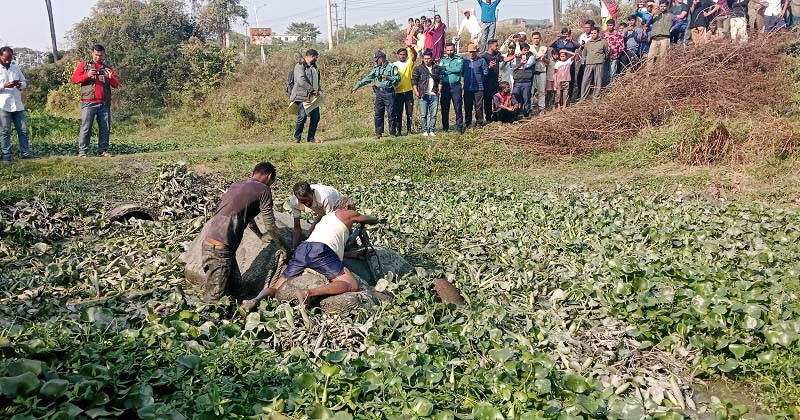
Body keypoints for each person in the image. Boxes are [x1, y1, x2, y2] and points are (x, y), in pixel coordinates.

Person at [241, 197, 382, 310]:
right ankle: (309, 293)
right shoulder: (347, 213)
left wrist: (354, 255)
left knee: (276, 287)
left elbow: (333, 248)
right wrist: (375, 218)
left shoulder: (327, 218)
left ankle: (256, 299)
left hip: (304, 249)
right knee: (351, 284)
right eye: (354, 209)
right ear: (348, 207)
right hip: (321, 250)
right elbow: (370, 219)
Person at [203, 162, 290, 303]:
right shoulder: (263, 190)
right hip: (219, 250)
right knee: (215, 299)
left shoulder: (238, 184)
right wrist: (284, 248)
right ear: (269, 177)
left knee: (239, 292)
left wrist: (260, 236)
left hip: (219, 246)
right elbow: (271, 226)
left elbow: (247, 219)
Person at [71, 44, 119, 158]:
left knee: (105, 128)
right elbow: (74, 79)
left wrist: (110, 77)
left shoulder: (108, 68)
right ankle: (82, 152)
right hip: (89, 102)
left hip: (104, 103)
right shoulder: (84, 65)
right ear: (92, 54)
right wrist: (87, 75)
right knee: (86, 127)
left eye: (100, 55)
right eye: (96, 55)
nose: (98, 57)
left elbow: (116, 85)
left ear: (104, 55)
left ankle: (103, 151)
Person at [351, 51, 400, 139]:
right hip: (379, 93)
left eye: (376, 60)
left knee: (391, 113)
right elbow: (369, 78)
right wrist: (357, 86)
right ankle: (379, 133)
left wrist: (389, 77)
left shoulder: (392, 67)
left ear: (382, 59)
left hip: (388, 92)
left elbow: (398, 78)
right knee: (378, 113)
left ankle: (392, 133)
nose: (375, 61)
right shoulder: (376, 68)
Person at [0, 47, 32, 162]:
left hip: (17, 104)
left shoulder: (15, 67)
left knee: (23, 130)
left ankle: (25, 153)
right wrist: (4, 86)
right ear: (0, 56)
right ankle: (6, 156)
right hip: (3, 105)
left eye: (10, 58)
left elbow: (24, 82)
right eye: (5, 59)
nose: (8, 61)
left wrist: (19, 85)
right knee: (5, 132)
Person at [290, 182, 342, 250]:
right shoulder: (294, 202)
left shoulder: (325, 197)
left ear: (312, 193)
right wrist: (294, 249)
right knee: (308, 236)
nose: (307, 203)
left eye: (308, 200)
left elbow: (330, 225)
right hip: (322, 211)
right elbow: (297, 228)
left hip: (338, 207)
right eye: (303, 201)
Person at [290, 49, 322, 144]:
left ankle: (311, 138)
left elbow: (317, 81)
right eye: (316, 57)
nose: (316, 59)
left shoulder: (314, 67)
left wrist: (319, 91)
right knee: (302, 117)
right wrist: (312, 90)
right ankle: (297, 138)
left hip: (313, 97)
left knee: (316, 117)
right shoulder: (300, 66)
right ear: (311, 56)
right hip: (302, 95)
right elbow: (301, 80)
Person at [412, 49, 441, 136]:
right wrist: (416, 92)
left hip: (434, 93)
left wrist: (439, 91)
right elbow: (414, 81)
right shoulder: (418, 68)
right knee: (423, 115)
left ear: (431, 58)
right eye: (425, 58)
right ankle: (424, 131)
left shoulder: (437, 68)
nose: (426, 60)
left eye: (428, 58)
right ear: (423, 58)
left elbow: (440, 80)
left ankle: (432, 130)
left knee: (433, 114)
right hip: (423, 94)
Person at [439, 43, 465, 133]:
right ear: (445, 50)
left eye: (451, 50)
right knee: (444, 107)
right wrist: (450, 69)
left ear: (454, 50)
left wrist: (447, 69)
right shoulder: (443, 60)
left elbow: (458, 69)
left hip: (456, 86)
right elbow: (440, 70)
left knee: (457, 107)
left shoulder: (459, 59)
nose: (450, 52)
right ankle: (445, 128)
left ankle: (459, 127)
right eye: (448, 50)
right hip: (445, 86)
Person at [392, 47, 418, 136]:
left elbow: (415, 56)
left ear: (406, 55)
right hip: (398, 92)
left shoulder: (409, 63)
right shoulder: (393, 65)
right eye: (401, 54)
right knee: (398, 113)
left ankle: (409, 131)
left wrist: (412, 48)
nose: (402, 56)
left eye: (404, 54)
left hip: (408, 91)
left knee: (409, 113)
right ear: (398, 55)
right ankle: (398, 131)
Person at [462, 44, 488, 128]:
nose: (472, 54)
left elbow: (485, 72)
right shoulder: (464, 61)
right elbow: (462, 73)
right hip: (467, 87)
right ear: (468, 52)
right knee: (468, 106)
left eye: (473, 52)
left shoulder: (481, 60)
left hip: (479, 87)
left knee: (479, 106)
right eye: (470, 52)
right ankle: (468, 123)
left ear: (476, 52)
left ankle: (479, 122)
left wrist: (479, 79)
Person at [550, 28, 580, 101]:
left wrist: (571, 40)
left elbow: (578, 46)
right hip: (560, 64)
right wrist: (556, 38)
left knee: (570, 80)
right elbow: (550, 45)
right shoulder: (559, 42)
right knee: (559, 80)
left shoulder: (571, 42)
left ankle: (568, 98)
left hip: (570, 64)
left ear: (569, 34)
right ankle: (559, 99)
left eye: (566, 34)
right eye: (564, 35)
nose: (565, 36)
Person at [581, 28, 609, 101]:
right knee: (585, 81)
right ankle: (583, 98)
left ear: (598, 33)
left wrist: (602, 59)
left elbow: (607, 53)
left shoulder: (603, 42)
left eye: (595, 33)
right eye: (592, 33)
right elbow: (584, 53)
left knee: (598, 81)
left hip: (599, 63)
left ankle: (595, 98)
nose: (593, 35)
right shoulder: (588, 43)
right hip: (589, 63)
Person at [646, 1, 673, 72]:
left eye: (664, 6)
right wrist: (652, 14)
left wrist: (673, 27)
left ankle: (661, 73)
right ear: (659, 6)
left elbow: (679, 21)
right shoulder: (655, 14)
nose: (662, 8)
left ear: (667, 7)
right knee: (650, 57)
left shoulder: (670, 15)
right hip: (654, 39)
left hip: (664, 38)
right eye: (661, 6)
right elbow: (647, 23)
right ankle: (649, 73)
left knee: (662, 57)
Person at [573, 20, 595, 101]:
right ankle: (580, 93)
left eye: (588, 27)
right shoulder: (582, 36)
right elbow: (579, 47)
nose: (586, 29)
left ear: (592, 27)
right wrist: (582, 46)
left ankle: (590, 94)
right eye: (585, 27)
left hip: (592, 61)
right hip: (583, 60)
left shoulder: (595, 35)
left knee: (591, 78)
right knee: (580, 78)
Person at [511, 43, 535, 118]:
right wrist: (520, 64)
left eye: (528, 50)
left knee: (526, 99)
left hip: (526, 81)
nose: (527, 51)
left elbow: (527, 65)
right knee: (515, 97)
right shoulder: (516, 57)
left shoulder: (532, 57)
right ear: (521, 50)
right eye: (525, 50)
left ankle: (526, 115)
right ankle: (515, 114)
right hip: (517, 81)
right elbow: (513, 67)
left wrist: (520, 66)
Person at [481, 40, 502, 123]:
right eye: (496, 46)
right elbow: (482, 71)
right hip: (487, 82)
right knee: (487, 101)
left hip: (495, 82)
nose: (498, 47)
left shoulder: (497, 54)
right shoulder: (484, 57)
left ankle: (496, 116)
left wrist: (515, 55)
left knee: (496, 100)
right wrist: (489, 66)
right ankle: (488, 117)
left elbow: (505, 59)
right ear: (490, 46)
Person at [529, 32, 549, 114]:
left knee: (541, 91)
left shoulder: (544, 49)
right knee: (531, 91)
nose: (536, 40)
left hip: (542, 71)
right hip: (532, 72)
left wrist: (544, 59)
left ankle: (541, 107)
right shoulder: (529, 48)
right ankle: (529, 107)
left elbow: (549, 62)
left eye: (537, 38)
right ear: (532, 39)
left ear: (540, 38)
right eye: (534, 38)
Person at [603, 20, 624, 85]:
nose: (609, 27)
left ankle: (611, 86)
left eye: (611, 25)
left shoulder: (618, 34)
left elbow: (622, 46)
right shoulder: (605, 34)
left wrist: (618, 54)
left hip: (614, 56)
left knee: (612, 72)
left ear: (614, 25)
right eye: (608, 25)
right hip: (606, 56)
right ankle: (605, 86)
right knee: (605, 71)